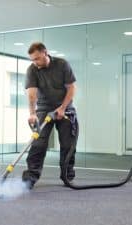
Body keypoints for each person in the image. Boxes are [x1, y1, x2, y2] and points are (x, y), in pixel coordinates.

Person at [22, 42, 78, 189]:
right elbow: (32, 94)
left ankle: (67, 176)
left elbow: (71, 88)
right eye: (32, 59)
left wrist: (63, 107)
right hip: (44, 108)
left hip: (65, 109)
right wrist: (32, 114)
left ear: (45, 53)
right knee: (38, 143)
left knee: (68, 144)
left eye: (37, 58)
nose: (35, 62)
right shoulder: (32, 69)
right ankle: (30, 177)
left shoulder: (62, 64)